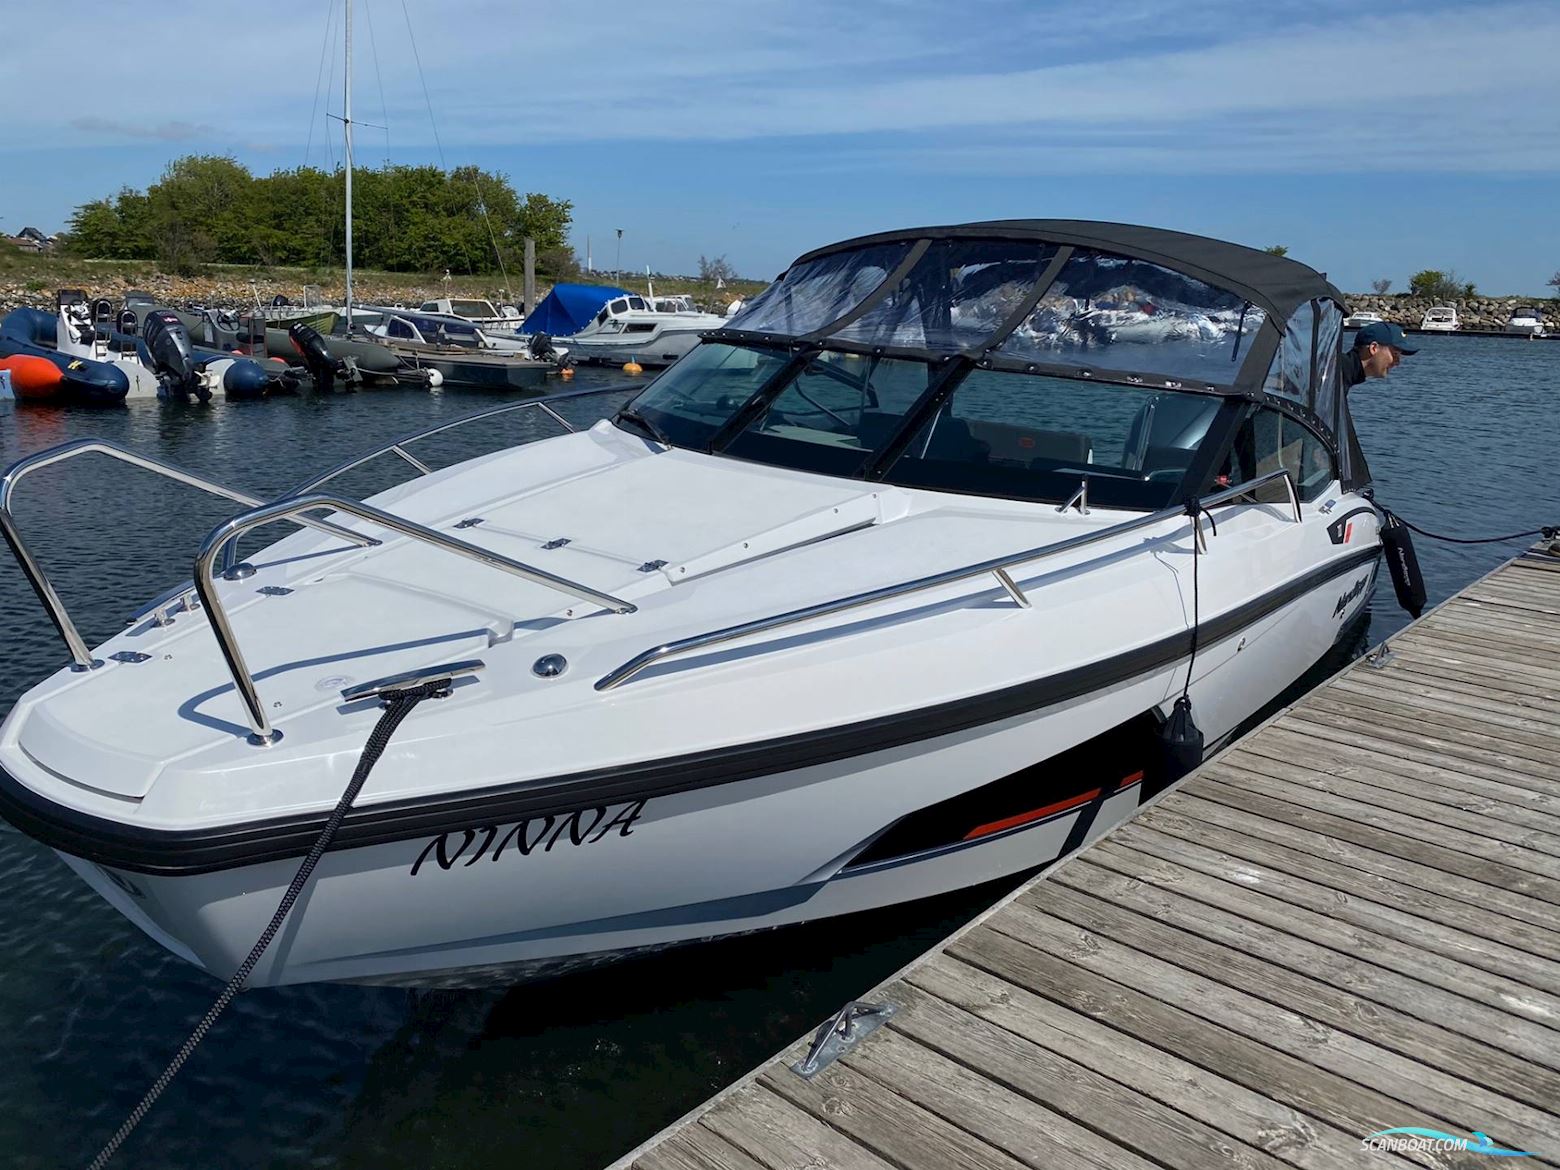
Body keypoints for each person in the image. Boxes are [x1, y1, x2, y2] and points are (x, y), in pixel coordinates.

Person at [1343, 320, 1417, 389]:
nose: (1397, 362)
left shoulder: (1344, 374)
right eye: (1395, 354)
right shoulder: (1337, 372)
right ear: (1374, 348)